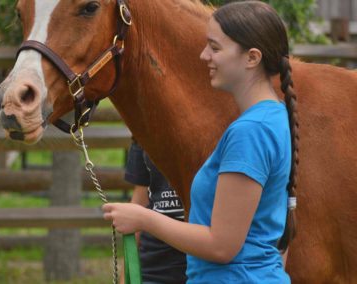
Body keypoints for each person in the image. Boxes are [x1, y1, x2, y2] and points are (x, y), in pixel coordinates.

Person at [103, 1, 299, 283]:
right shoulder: (274, 116)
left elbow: (221, 245)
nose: (204, 55)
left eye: (215, 48)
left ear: (252, 57)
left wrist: (143, 219)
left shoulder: (251, 131)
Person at [120, 140, 187, 284]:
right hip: (153, 267)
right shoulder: (145, 124)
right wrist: (126, 276)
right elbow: (139, 200)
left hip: (207, 267)